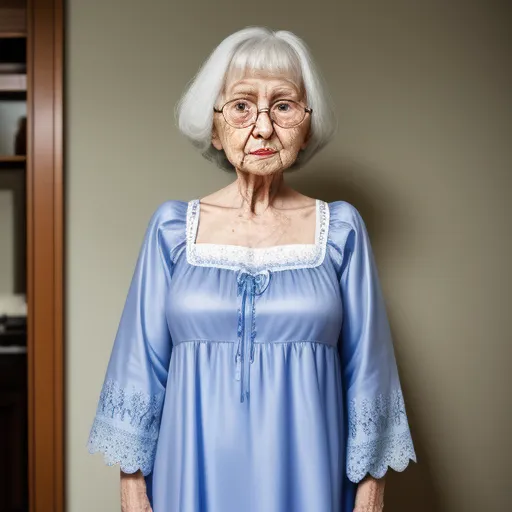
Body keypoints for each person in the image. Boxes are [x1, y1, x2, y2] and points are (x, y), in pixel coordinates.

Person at [86, 26, 417, 512]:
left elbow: (370, 371)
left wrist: (370, 495)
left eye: (282, 106)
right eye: (242, 105)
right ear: (215, 126)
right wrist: (133, 488)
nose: (262, 127)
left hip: (310, 476)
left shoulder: (340, 230)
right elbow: (140, 367)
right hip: (188, 475)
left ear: (306, 125)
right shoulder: (173, 230)